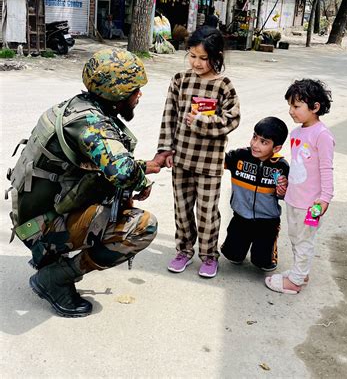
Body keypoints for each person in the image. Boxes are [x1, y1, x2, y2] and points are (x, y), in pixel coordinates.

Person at [6, 49, 170, 318]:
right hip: (39, 226)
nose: (139, 96)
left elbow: (97, 165)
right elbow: (122, 171)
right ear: (117, 94)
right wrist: (140, 180)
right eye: (135, 90)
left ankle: (50, 254)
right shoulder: (92, 125)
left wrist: (144, 167)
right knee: (142, 227)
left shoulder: (78, 107)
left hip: (33, 215)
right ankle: (56, 276)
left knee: (116, 194)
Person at [157, 26, 240, 278]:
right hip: (181, 159)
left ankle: (208, 256)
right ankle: (183, 250)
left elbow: (233, 119)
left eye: (204, 58)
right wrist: (165, 150)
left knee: (206, 213)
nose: (197, 62)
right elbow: (169, 117)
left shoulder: (224, 85)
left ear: (217, 56)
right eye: (193, 55)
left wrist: (203, 122)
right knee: (181, 210)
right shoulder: (180, 80)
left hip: (210, 164)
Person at [265, 79, 334, 295]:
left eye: (296, 106)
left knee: (305, 239)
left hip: (312, 204)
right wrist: (285, 188)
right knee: (295, 237)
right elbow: (296, 168)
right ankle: (299, 272)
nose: (291, 111)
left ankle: (295, 282)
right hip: (294, 199)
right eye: (290, 106)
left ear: (315, 107)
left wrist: (324, 199)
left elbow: (326, 169)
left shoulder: (322, 135)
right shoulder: (296, 134)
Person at [220, 117, 289, 272]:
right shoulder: (240, 156)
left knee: (262, 263)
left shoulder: (281, 166)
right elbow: (216, 160)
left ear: (276, 148)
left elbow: (285, 195)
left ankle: (268, 252)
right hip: (240, 217)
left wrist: (283, 192)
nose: (255, 144)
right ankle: (237, 247)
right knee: (232, 256)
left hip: (267, 221)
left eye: (263, 142)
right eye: (254, 137)